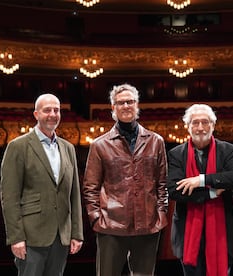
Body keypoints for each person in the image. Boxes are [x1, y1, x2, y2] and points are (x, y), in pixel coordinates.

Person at [82, 83, 168, 276]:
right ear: (113, 108)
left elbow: (162, 184)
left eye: (130, 102)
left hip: (148, 224)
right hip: (111, 225)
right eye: (121, 103)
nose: (126, 106)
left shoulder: (156, 141)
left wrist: (161, 214)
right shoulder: (99, 145)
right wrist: (96, 218)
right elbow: (90, 188)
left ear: (137, 105)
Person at [0, 93, 84, 276]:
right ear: (36, 114)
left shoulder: (68, 148)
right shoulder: (18, 146)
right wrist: (16, 238)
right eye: (47, 110)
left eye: (57, 110)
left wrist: (76, 233)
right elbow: (10, 197)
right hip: (31, 236)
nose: (53, 114)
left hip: (61, 235)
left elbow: (74, 194)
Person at [167, 103, 233, 276]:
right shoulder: (176, 154)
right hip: (188, 234)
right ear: (187, 126)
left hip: (223, 233)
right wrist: (211, 192)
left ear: (213, 125)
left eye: (205, 122)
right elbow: (174, 189)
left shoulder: (228, 150)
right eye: (195, 122)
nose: (200, 127)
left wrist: (201, 180)